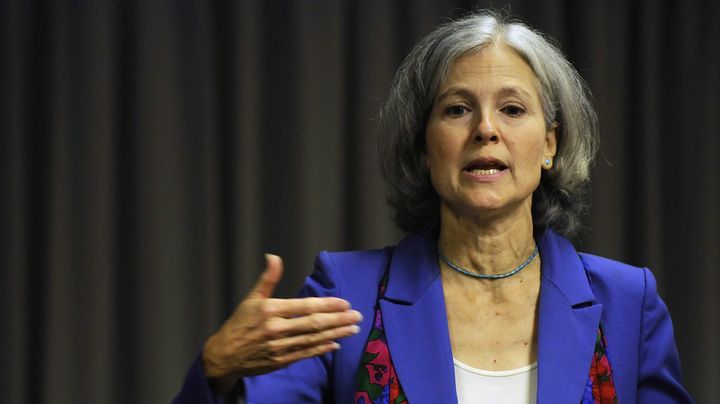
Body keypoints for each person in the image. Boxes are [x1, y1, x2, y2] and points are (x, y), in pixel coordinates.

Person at [174, 11, 692, 403]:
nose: (485, 129)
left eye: (512, 109)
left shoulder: (629, 303)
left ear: (550, 145)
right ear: (424, 147)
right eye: (457, 109)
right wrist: (216, 366)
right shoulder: (348, 295)